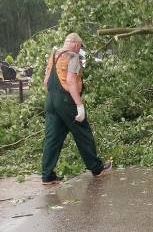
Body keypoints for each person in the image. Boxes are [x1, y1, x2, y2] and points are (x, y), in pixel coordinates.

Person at [42, 33, 111, 185]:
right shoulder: (73, 57)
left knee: (52, 138)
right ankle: (97, 168)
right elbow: (72, 81)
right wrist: (79, 106)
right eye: (80, 46)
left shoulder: (54, 55)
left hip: (51, 101)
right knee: (83, 133)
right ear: (74, 44)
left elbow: (46, 81)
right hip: (67, 101)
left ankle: (47, 176)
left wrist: (54, 98)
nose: (80, 50)